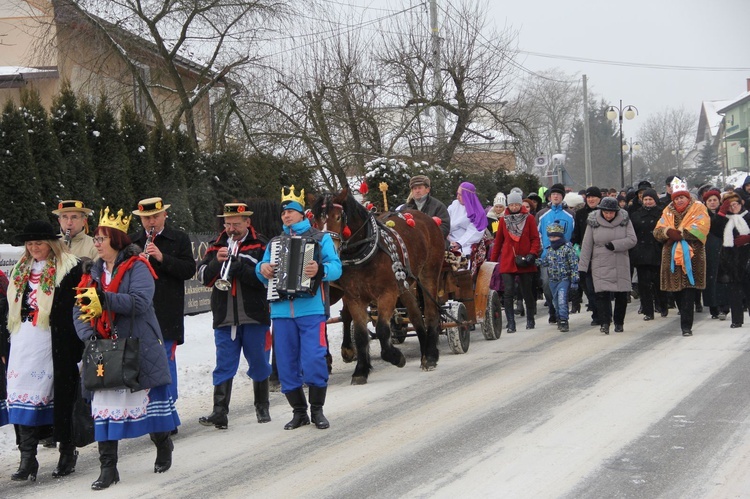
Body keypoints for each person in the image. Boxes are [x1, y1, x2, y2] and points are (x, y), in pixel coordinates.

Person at [74, 208, 179, 490]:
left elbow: (140, 302)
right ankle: (108, 469)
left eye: (101, 238)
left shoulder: (138, 266)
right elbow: (79, 308)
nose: (96, 243)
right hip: (104, 350)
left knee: (150, 404)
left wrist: (104, 299)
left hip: (138, 345)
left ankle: (163, 443)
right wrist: (88, 334)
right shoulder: (92, 272)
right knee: (104, 409)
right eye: (95, 238)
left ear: (117, 240)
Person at [257, 187, 342, 430]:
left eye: (291, 212)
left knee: (314, 359)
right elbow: (263, 268)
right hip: (282, 312)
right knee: (285, 364)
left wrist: (321, 271)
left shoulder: (320, 238)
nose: (286, 216)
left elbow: (336, 267)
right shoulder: (274, 242)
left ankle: (317, 410)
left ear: (302, 214)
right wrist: (262, 270)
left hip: (311, 310)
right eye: (283, 213)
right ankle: (299, 412)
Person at [4, 221, 82, 482]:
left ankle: (67, 452)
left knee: (59, 396)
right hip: (23, 339)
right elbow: (10, 307)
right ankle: (28, 458)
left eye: (38, 243)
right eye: (29, 243)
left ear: (51, 244)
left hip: (54, 340)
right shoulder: (20, 269)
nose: (33, 247)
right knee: (20, 395)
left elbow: (76, 307)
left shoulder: (69, 267)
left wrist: (75, 343)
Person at [197, 202, 272, 429]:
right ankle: (219, 412)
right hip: (224, 317)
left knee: (259, 362)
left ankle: (262, 406)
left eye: (236, 224)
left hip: (254, 315)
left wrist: (240, 265)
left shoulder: (261, 245)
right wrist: (215, 263)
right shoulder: (215, 246)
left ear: (248, 223)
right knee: (224, 364)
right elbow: (202, 277)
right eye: (228, 224)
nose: (231, 229)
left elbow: (266, 279)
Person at [130, 198, 195, 407]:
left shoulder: (179, 238)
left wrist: (161, 258)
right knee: (143, 361)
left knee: (165, 360)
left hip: (167, 311)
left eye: (155, 217)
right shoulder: (131, 242)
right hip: (140, 312)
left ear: (165, 215)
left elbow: (188, 270)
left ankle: (167, 407)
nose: (151, 222)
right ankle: (148, 408)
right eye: (146, 218)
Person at [653, 178, 710, 336]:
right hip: (672, 257)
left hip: (692, 256)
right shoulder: (668, 210)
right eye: (676, 197)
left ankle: (687, 326)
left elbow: (702, 228)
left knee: (688, 291)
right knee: (677, 292)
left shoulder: (698, 208)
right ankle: (684, 315)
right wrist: (667, 233)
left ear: (687, 197)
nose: (679, 200)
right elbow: (657, 230)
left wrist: (681, 234)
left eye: (682, 197)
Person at [577, 197, 637, 334]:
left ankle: (619, 322)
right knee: (602, 295)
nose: (608, 215)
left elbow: (632, 239)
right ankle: (604, 323)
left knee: (621, 295)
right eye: (605, 212)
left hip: (620, 261)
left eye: (611, 212)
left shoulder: (624, 221)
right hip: (600, 263)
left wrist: (615, 245)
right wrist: (582, 267)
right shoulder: (593, 222)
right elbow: (587, 246)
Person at [490, 190, 541, 332]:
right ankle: (511, 323)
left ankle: (530, 318)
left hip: (525, 259)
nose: (513, 207)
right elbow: (498, 242)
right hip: (508, 259)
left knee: (526, 291)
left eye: (516, 205)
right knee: (509, 292)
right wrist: (493, 262)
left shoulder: (529, 219)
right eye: (511, 205)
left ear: (520, 204)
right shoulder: (503, 220)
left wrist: (532, 254)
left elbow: (535, 239)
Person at [709, 192, 750, 328]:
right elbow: (714, 229)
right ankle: (737, 320)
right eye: (730, 206)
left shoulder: (748, 216)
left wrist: (748, 238)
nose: (733, 208)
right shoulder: (724, 219)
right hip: (730, 258)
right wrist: (721, 212)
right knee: (734, 290)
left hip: (747, 257)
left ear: (740, 204)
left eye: (735, 204)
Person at [536, 183, 575, 324]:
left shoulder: (570, 215)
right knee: (547, 284)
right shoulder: (541, 215)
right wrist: (541, 252)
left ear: (562, 197)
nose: (556, 196)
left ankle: (561, 313)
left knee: (563, 287)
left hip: (564, 257)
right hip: (547, 256)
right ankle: (552, 308)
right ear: (550, 197)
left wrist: (571, 249)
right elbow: (537, 234)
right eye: (553, 194)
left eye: (558, 194)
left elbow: (574, 234)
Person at [629, 189, 667, 321]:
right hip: (641, 253)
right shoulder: (636, 215)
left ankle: (662, 305)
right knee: (644, 285)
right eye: (645, 199)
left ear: (655, 200)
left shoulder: (662, 213)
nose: (648, 202)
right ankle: (647, 311)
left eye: (650, 199)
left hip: (657, 251)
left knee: (658, 282)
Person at [538, 222, 579, 332]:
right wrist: (535, 261)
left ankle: (564, 320)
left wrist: (575, 279)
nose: (553, 239)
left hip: (564, 279)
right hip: (553, 280)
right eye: (551, 237)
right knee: (555, 301)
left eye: (555, 236)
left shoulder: (568, 249)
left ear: (561, 236)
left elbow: (574, 264)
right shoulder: (550, 250)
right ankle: (559, 318)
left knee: (562, 299)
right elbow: (545, 262)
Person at [572, 186, 602, 325]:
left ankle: (604, 314)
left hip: (602, 254)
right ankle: (596, 313)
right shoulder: (580, 214)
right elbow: (576, 234)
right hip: (586, 255)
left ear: (599, 198)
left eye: (593, 197)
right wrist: (574, 247)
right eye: (588, 197)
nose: (591, 199)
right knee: (589, 287)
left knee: (601, 287)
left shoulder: (605, 212)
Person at [701, 189, 729, 320]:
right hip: (707, 250)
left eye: (715, 200)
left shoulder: (725, 215)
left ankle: (724, 306)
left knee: (722, 278)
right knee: (709, 279)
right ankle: (713, 307)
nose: (712, 203)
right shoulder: (701, 215)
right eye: (709, 201)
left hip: (723, 249)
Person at [402, 175, 450, 241]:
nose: (417, 191)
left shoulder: (438, 206)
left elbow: (444, 228)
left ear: (428, 189)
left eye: (419, 188)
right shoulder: (405, 208)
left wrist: (426, 236)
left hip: (433, 244)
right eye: (414, 188)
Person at [447, 182, 488, 256]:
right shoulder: (455, 204)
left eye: (460, 195)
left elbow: (474, 232)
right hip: (448, 239)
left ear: (467, 196)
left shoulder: (478, 212)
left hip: (465, 244)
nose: (457, 197)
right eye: (457, 194)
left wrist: (459, 243)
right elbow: (446, 220)